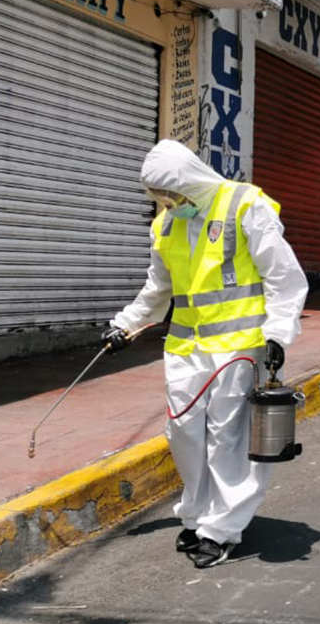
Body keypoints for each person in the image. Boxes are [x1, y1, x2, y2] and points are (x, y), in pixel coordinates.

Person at [102, 139, 308, 568]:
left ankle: (222, 529)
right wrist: (126, 323)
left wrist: (278, 334)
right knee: (184, 432)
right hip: (186, 346)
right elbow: (158, 290)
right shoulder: (166, 226)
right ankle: (197, 515)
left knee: (226, 438)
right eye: (160, 196)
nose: (168, 202)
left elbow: (284, 277)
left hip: (239, 344)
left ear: (189, 180)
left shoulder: (244, 206)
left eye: (172, 193)